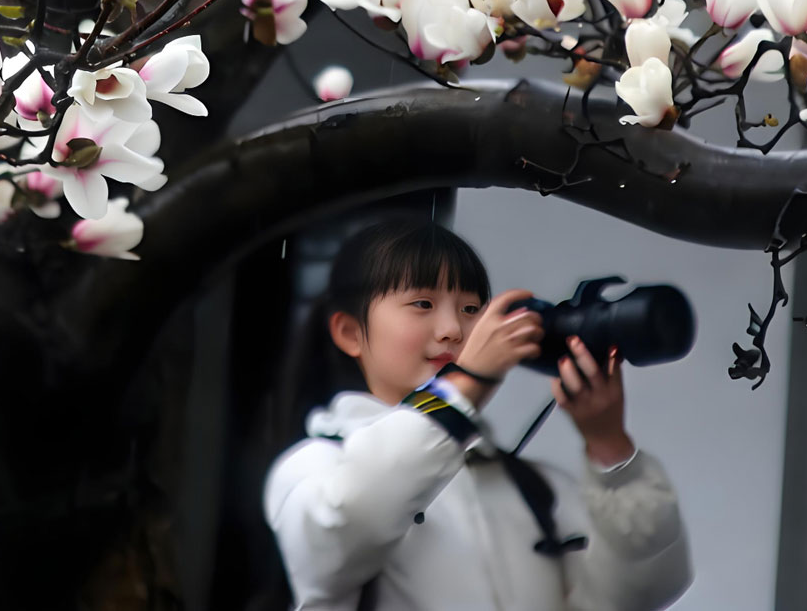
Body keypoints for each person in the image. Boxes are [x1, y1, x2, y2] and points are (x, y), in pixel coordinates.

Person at [264, 217, 693, 610]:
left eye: (471, 309)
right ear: (350, 332)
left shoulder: (532, 488)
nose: (453, 329)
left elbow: (644, 592)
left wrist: (609, 446)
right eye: (422, 304)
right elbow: (347, 520)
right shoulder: (313, 467)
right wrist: (463, 383)